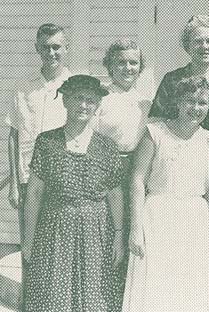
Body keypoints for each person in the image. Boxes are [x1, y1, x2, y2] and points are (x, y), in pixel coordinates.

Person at [22, 75, 125, 312]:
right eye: (78, 99)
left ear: (97, 105)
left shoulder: (107, 146)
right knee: (51, 295)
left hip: (95, 233)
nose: (84, 105)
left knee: (94, 297)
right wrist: (28, 239)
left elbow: (115, 193)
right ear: (66, 101)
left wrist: (118, 235)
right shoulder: (46, 142)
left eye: (91, 101)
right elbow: (35, 193)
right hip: (54, 230)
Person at [122, 77, 209, 312]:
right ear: (177, 101)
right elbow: (137, 180)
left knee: (190, 286)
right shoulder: (154, 133)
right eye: (190, 101)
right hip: (157, 218)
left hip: (196, 222)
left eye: (202, 103)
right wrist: (136, 228)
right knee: (157, 286)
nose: (196, 108)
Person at [4, 23, 71, 306]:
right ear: (36, 49)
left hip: (63, 178)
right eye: (45, 47)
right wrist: (15, 187)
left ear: (65, 49)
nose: (51, 52)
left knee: (60, 243)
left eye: (57, 46)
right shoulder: (23, 86)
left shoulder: (75, 85)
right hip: (27, 177)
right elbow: (14, 135)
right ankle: (32, 302)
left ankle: (58, 300)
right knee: (29, 245)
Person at [92, 39, 152, 305]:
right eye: (121, 62)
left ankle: (127, 302)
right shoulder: (100, 98)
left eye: (133, 62)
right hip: (104, 169)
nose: (128, 67)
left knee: (132, 233)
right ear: (109, 66)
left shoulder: (147, 103)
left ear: (140, 67)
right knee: (107, 235)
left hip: (138, 173)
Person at [149, 15, 209, 139]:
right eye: (198, 41)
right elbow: (157, 122)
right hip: (179, 151)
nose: (204, 46)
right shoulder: (172, 79)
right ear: (188, 46)